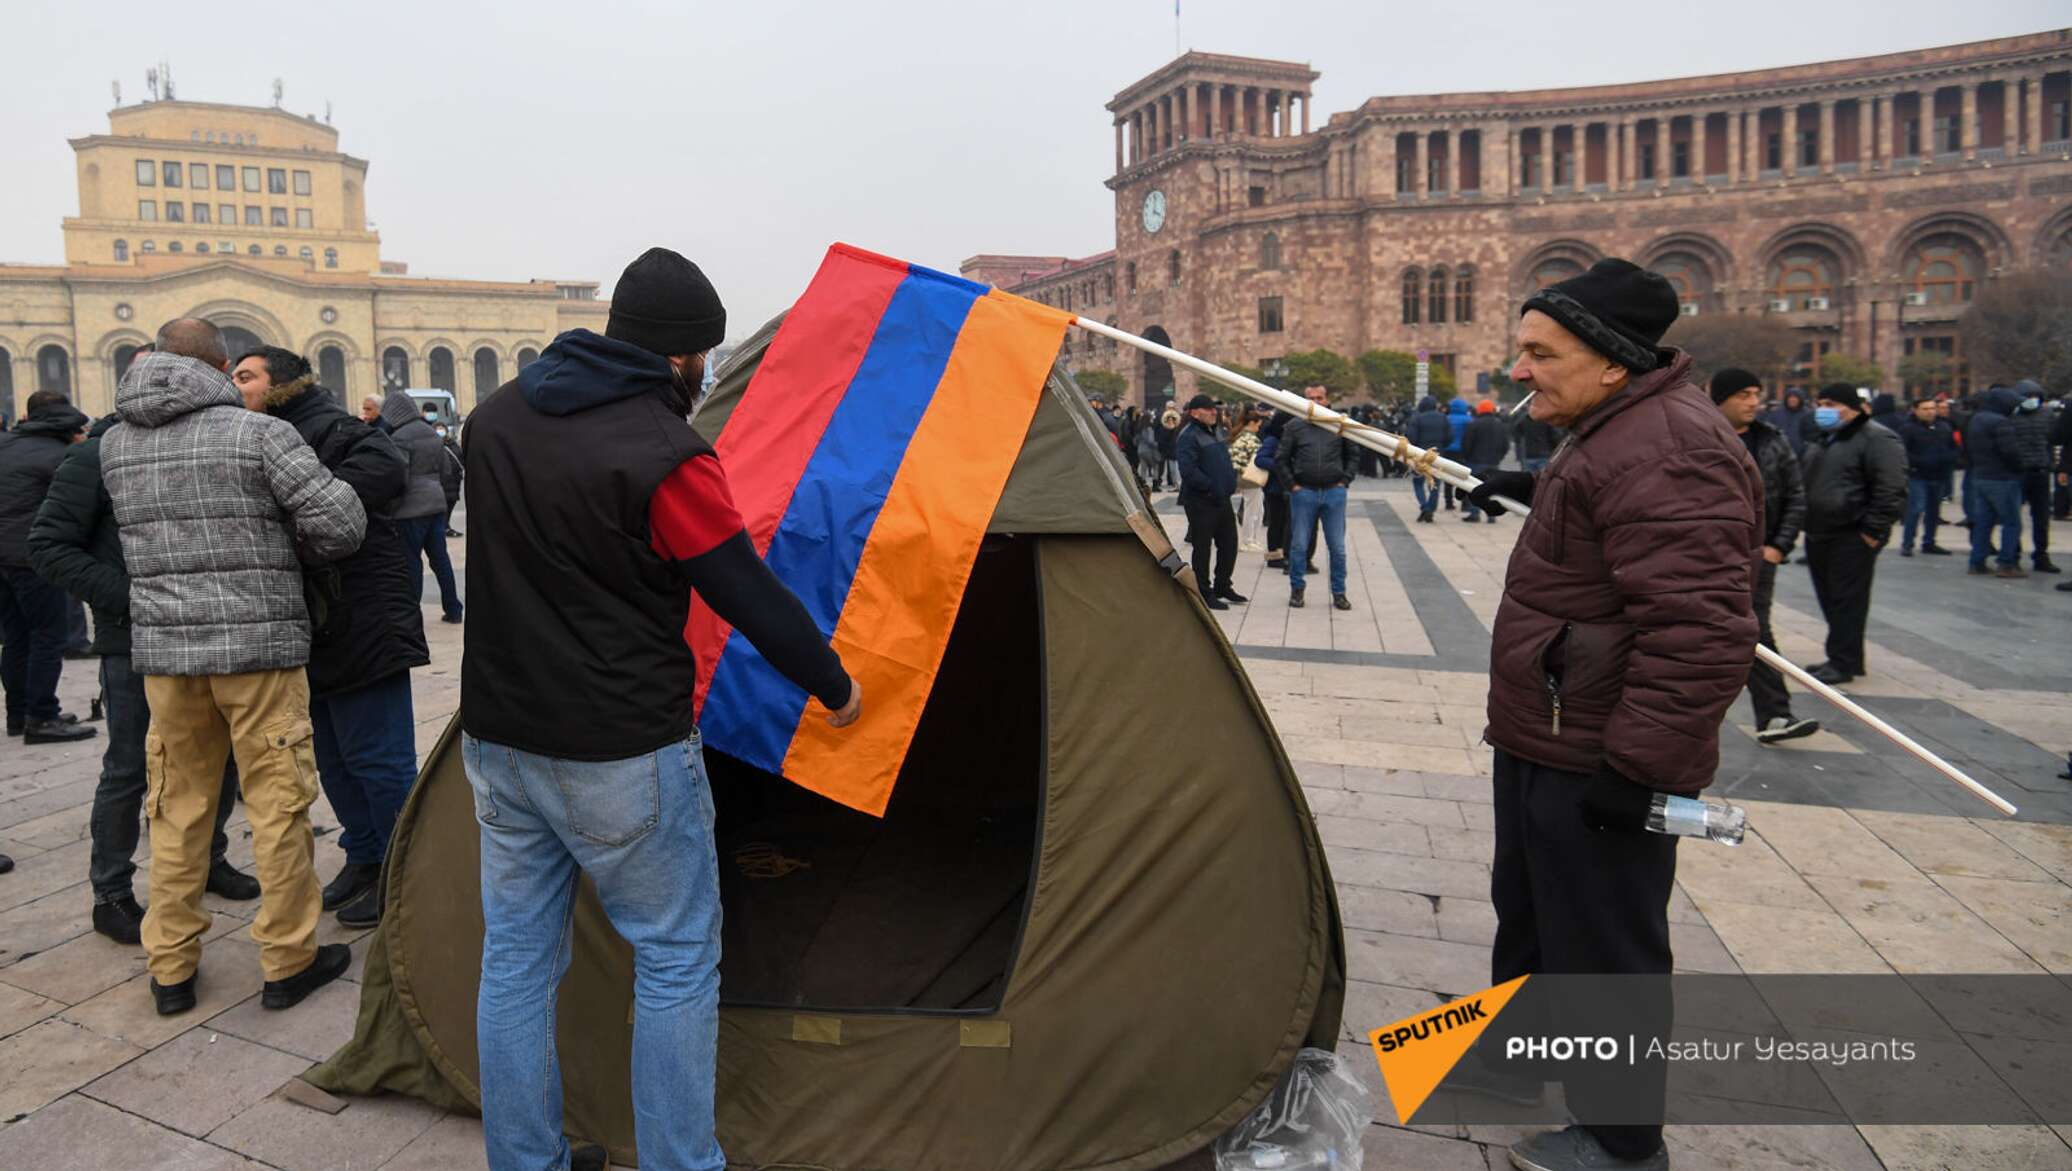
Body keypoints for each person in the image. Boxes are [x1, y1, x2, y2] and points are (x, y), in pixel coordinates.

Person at [461, 248, 861, 1171]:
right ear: (682, 357)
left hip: (501, 741)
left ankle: (525, 1161)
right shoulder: (663, 453)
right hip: (621, 751)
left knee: (517, 959)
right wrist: (832, 683)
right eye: (705, 358)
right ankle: (684, 1163)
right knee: (676, 957)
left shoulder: (494, 419)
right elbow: (744, 590)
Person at [1469, 258, 1758, 1171]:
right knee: (1534, 913)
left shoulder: (1668, 446)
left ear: (1610, 362)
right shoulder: (1608, 431)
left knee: (1603, 945)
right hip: (1546, 733)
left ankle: (1621, 1139)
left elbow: (1700, 632)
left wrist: (1635, 771)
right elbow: (1603, 560)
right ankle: (1520, 1056)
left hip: (1598, 751)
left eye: (1540, 353)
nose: (1521, 371)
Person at [100, 320, 368, 1017]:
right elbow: (341, 525)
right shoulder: (259, 434)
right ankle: (288, 959)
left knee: (177, 807)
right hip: (259, 652)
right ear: (221, 365)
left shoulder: (116, 443)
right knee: (278, 805)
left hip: (167, 656)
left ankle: (171, 968)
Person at [29, 390, 262, 946]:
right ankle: (110, 893)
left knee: (220, 757)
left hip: (210, 634)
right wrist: (136, 600)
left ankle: (210, 858)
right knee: (130, 767)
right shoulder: (98, 453)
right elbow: (50, 546)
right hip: (134, 641)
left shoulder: (205, 444)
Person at [234, 346, 427, 930]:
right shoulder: (261, 432)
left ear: (283, 384)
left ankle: (407, 877)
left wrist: (299, 509)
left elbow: (386, 469)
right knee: (335, 758)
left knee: (378, 758)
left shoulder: (333, 427)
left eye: (246, 376)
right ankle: (366, 856)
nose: (236, 386)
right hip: (310, 622)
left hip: (362, 617)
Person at [1710, 369, 1819, 744]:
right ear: (1720, 398)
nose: (1753, 401)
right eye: (1743, 394)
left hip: (1757, 555)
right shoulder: (1697, 438)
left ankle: (1775, 714)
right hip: (1704, 555)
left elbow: (1795, 497)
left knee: (1753, 630)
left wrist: (1778, 547)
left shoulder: (1773, 442)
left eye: (1756, 393)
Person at [0, 389, 98, 744]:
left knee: (15, 637)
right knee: (48, 636)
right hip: (33, 559)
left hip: (3, 558)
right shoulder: (61, 457)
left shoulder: (6, 445)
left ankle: (18, 714)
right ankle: (42, 717)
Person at [1799, 384, 1907, 684]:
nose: (1823, 409)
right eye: (1820, 402)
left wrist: (1873, 530)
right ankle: (1843, 656)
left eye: (1830, 403)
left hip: (1852, 533)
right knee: (1831, 598)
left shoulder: (1877, 438)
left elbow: (1891, 487)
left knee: (1848, 600)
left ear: (1853, 407)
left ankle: (1843, 661)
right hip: (1819, 531)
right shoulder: (1824, 440)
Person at [380, 388, 464, 624]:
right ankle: (454, 609)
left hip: (410, 510)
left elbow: (399, 476)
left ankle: (412, 613)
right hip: (436, 505)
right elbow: (446, 470)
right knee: (441, 559)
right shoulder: (430, 432)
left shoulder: (399, 438)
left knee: (411, 562)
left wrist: (391, 506)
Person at [1280, 384, 1358, 611]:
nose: (1316, 401)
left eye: (1320, 397)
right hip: (1304, 491)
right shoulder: (1295, 426)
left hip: (1334, 491)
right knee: (1299, 545)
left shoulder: (1340, 425)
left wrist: (1345, 481)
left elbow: (1353, 454)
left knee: (1337, 547)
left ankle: (1339, 592)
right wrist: (1292, 485)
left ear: (1327, 399)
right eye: (1311, 398)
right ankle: (1297, 589)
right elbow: (1281, 458)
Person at [1176, 393, 1245, 610]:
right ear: (1195, 413)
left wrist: (1231, 480)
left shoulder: (1215, 431)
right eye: (1209, 409)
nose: (1214, 412)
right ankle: (1204, 592)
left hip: (1221, 499)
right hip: (1201, 501)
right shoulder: (1188, 436)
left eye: (1214, 409)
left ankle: (1223, 585)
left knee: (1229, 544)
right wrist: (1211, 486)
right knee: (1202, 547)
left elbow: (1223, 460)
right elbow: (1188, 471)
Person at [1962, 384, 2033, 580]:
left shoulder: (1977, 419)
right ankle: (2006, 563)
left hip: (1981, 476)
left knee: (1984, 522)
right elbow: (2010, 451)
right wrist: (2020, 466)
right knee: (2011, 523)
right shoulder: (2001, 422)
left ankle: (1977, 562)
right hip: (2003, 478)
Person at [1895, 397, 1958, 556]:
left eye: (1932, 408)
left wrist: (1950, 458)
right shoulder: (1908, 429)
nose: (1930, 412)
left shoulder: (1943, 426)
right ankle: (1907, 543)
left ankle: (1929, 542)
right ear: (1915, 410)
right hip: (1918, 475)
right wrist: (1919, 462)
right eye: (1925, 409)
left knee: (1934, 511)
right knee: (1916, 509)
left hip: (1939, 475)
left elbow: (1953, 446)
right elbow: (1901, 452)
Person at [2010, 381, 2059, 574]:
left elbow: (2052, 439)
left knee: (2042, 517)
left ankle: (2041, 555)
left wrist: (2050, 463)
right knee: (2014, 517)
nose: (2032, 400)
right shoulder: (2011, 415)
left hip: (2040, 471)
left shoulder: (2047, 415)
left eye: (2035, 397)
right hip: (2021, 472)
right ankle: (2014, 553)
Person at [1458, 398, 1511, 523]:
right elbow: (1505, 445)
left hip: (1475, 461)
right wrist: (1499, 457)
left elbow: (1467, 443)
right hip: (1493, 461)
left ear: (1480, 410)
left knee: (1474, 487)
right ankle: (1491, 515)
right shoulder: (1500, 425)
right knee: (1492, 489)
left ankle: (1474, 513)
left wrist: (1466, 457)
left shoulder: (1474, 424)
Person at [1406, 395, 1452, 521]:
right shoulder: (1443, 418)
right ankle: (1431, 509)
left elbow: (1411, 437)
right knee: (1435, 484)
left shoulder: (1417, 418)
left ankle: (1424, 506)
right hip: (1437, 455)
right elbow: (1449, 437)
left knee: (1418, 482)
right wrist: (1441, 447)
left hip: (1420, 455)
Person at [1257, 412, 1291, 564]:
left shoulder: (1286, 438)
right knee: (1276, 522)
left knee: (1284, 522)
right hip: (1275, 489)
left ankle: (1282, 552)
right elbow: (1260, 459)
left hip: (1284, 487)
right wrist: (1280, 465)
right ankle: (1274, 556)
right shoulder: (1273, 439)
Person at [1764, 387, 1818, 457]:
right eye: (1790, 397)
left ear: (1800, 399)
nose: (1792, 400)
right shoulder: (1776, 413)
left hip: (1801, 455)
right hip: (1778, 454)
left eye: (1795, 397)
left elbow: (1812, 435)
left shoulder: (1808, 414)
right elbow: (1767, 431)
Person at [436, 422, 464, 538]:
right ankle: (444, 528)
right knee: (444, 507)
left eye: (442, 428)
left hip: (455, 480)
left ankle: (446, 526)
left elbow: (460, 456)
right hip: (443, 482)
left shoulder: (452, 443)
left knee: (451, 504)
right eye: (438, 429)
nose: (440, 431)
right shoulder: (434, 443)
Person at [1515, 408, 1560, 473]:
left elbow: (1516, 430)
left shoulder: (1524, 419)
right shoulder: (1547, 420)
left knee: (1529, 479)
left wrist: (1519, 443)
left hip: (1529, 454)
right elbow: (1554, 436)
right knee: (1543, 478)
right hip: (1544, 453)